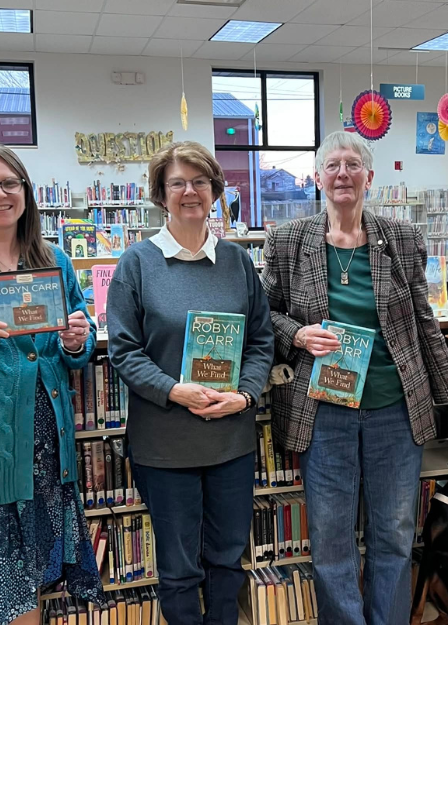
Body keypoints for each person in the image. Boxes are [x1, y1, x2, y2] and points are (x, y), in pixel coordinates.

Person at [261, 130, 448, 625]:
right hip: (324, 413)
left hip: (394, 413)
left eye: (353, 164)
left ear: (369, 177)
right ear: (318, 178)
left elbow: (424, 324)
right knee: (333, 541)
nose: (343, 173)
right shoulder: (288, 240)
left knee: (395, 534)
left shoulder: (400, 238)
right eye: (333, 165)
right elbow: (263, 315)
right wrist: (298, 335)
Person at [106, 141, 274, 625]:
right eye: (177, 183)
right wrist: (174, 390)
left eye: (200, 181)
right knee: (179, 570)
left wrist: (243, 394)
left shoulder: (238, 262)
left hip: (231, 440)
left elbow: (261, 341)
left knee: (227, 560)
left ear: (215, 191)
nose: (190, 192)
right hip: (165, 444)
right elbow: (124, 350)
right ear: (161, 194)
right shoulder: (137, 263)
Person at [0, 145, 100, 626]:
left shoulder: (54, 259)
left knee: (33, 577)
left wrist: (79, 339)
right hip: (3, 442)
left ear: (26, 193)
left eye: (9, 183)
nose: (1, 194)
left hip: (45, 445)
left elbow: (80, 336)